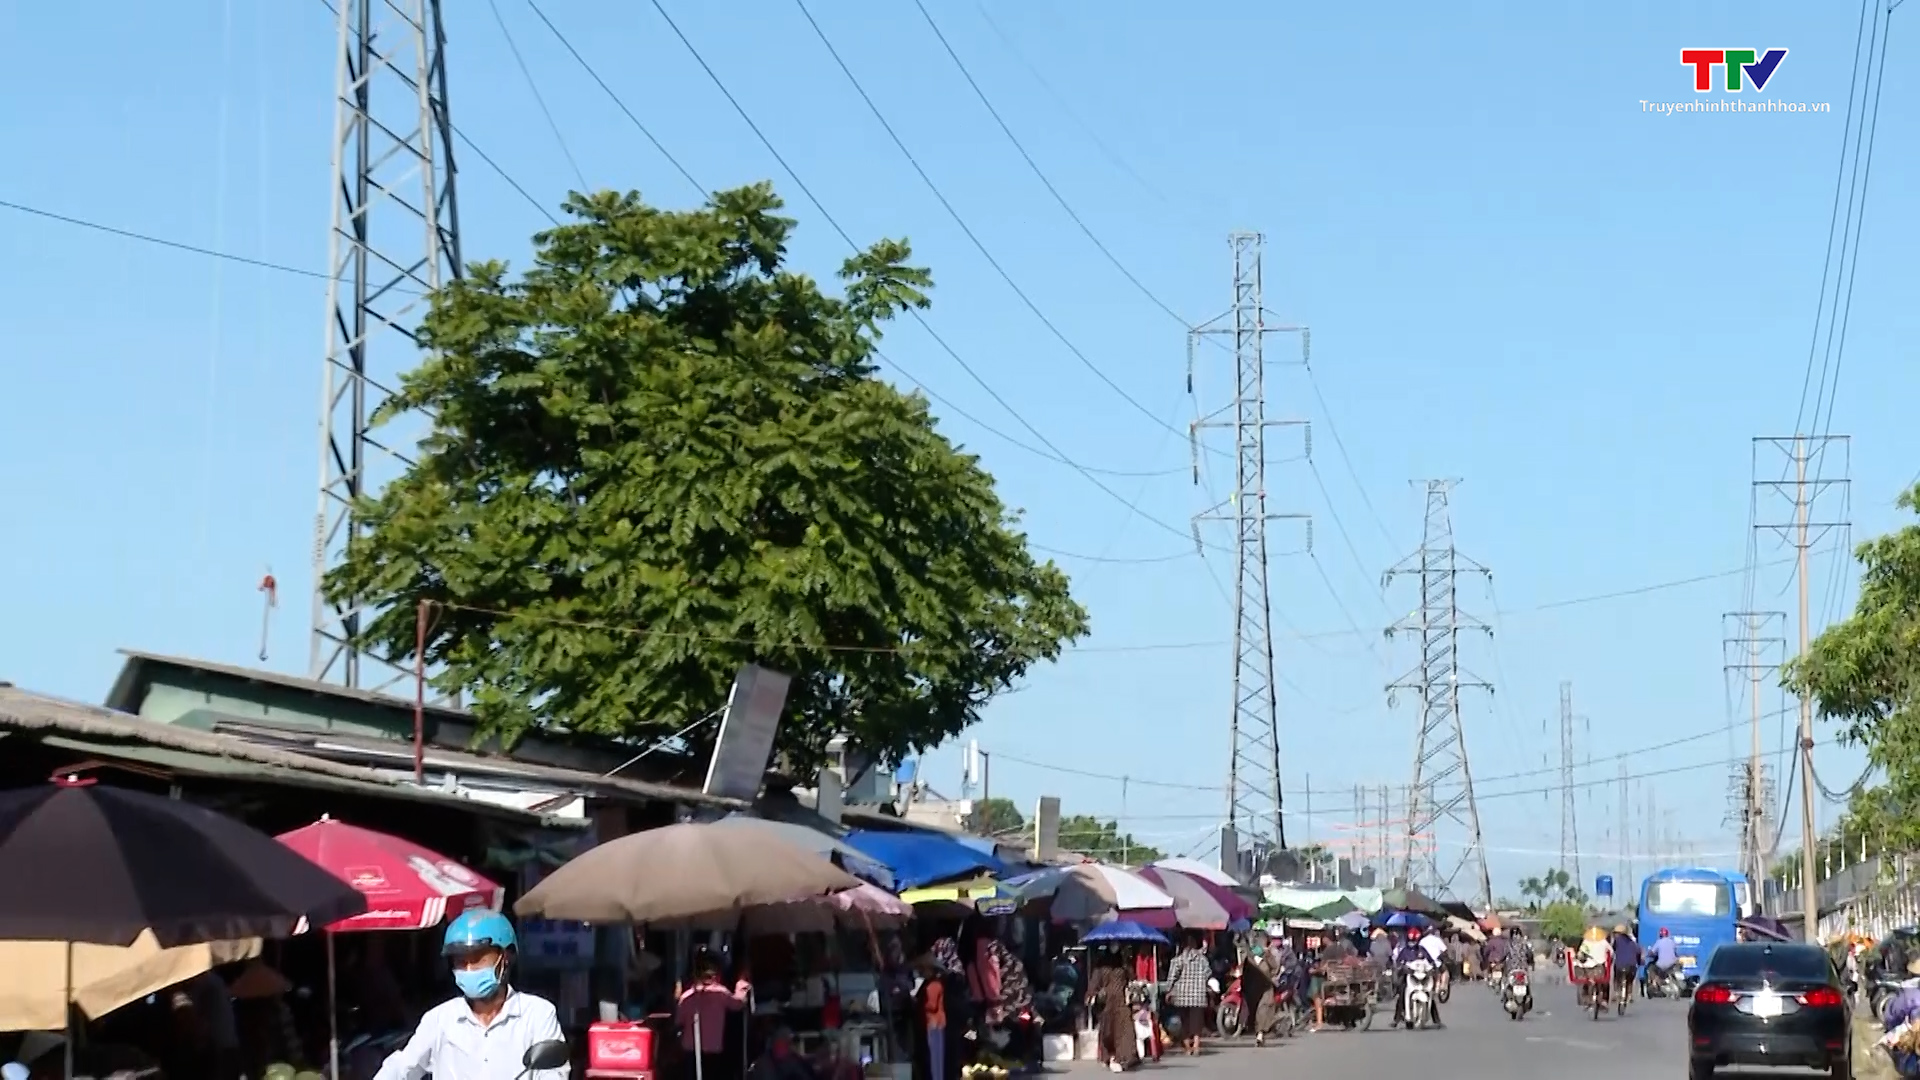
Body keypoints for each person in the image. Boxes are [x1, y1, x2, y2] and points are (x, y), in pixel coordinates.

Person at [372, 910, 568, 1080]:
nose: (468, 969)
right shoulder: (440, 1019)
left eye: (477, 959)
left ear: (505, 957)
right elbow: (403, 1067)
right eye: (460, 962)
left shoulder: (537, 1013)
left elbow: (553, 1073)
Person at [678, 953, 751, 1080]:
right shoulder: (721, 993)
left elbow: (679, 1020)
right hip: (712, 1048)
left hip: (691, 1048)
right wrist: (742, 985)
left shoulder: (686, 997)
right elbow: (738, 1004)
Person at [1085, 953, 1137, 1073]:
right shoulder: (1101, 965)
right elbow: (1095, 982)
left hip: (1121, 1002)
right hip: (1107, 1003)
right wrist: (1091, 994)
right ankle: (1109, 1055)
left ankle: (1124, 1058)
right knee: (1107, 1031)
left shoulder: (1124, 964)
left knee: (1125, 1031)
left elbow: (1132, 978)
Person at [1165, 934, 1212, 1057]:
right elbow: (1208, 973)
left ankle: (1187, 1048)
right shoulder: (1202, 959)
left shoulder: (1178, 959)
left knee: (1184, 1022)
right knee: (1197, 1022)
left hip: (1182, 995)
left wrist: (1168, 990)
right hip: (1198, 995)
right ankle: (1196, 1046)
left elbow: (1172, 977)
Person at [1392, 927, 1443, 1028]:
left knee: (1429, 995)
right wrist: (1402, 967)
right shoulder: (1404, 951)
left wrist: (1434, 967)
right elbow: (1398, 963)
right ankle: (1396, 1019)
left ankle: (1436, 1020)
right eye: (1411, 940)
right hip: (1408, 977)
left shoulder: (1422, 950)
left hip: (1422, 976)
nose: (1412, 942)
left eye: (1414, 940)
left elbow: (1430, 961)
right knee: (1402, 993)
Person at [1608, 925, 1642, 1005]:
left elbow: (1613, 951)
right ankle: (1629, 995)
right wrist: (1639, 962)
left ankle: (1616, 993)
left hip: (1620, 965)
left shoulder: (1617, 941)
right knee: (1630, 981)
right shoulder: (1633, 942)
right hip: (1631, 966)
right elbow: (1638, 952)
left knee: (1617, 978)